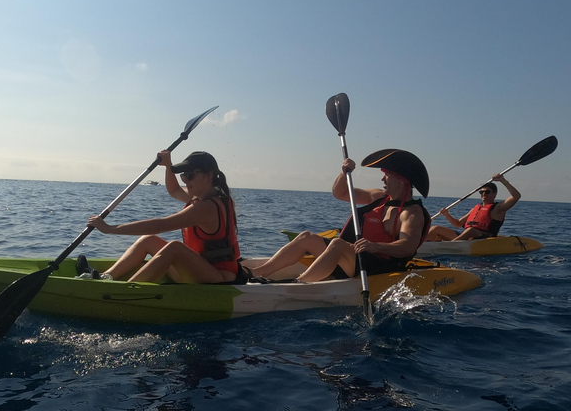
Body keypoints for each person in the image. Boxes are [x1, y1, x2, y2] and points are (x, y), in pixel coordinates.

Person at [250, 149, 431, 283]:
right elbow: (341, 193)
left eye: (387, 175)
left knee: (337, 243)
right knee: (307, 237)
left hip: (379, 267)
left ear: (403, 181)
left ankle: (299, 283)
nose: (382, 180)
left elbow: (408, 247)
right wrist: (344, 173)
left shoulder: (411, 214)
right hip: (356, 259)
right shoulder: (378, 197)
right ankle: (257, 273)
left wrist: (374, 246)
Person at [86, 151, 244, 284]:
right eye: (184, 176)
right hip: (202, 270)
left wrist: (110, 229)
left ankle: (125, 290)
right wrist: (168, 165)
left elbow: (160, 225)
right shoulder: (202, 196)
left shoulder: (207, 207)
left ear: (209, 175)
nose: (186, 181)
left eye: (190, 175)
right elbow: (174, 190)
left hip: (219, 279)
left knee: (174, 247)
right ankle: (106, 276)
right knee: (149, 240)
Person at [425, 174, 521, 241]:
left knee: (471, 230)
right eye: (481, 192)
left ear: (494, 194)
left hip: (483, 238)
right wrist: (447, 215)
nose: (483, 194)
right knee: (435, 228)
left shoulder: (498, 208)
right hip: (466, 238)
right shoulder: (476, 208)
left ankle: (449, 246)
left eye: (487, 192)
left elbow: (516, 196)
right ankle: (422, 245)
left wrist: (503, 180)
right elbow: (458, 224)